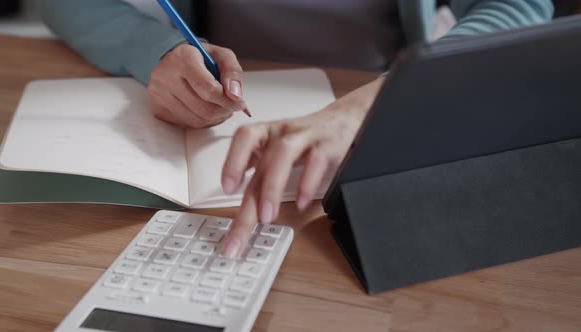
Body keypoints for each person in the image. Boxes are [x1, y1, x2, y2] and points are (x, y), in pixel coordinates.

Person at [39, 0, 553, 257]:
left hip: (382, 108)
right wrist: (153, 49)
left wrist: (380, 101)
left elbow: (519, 7)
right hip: (233, 97)